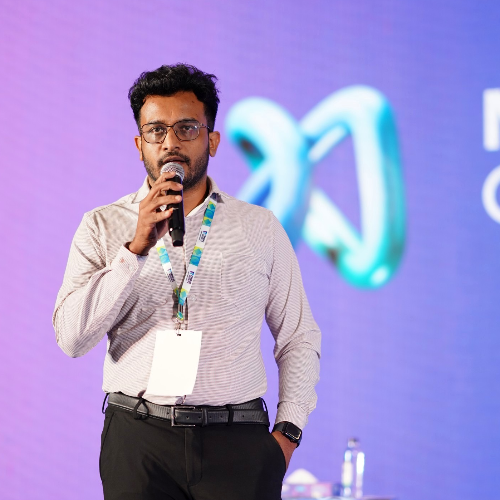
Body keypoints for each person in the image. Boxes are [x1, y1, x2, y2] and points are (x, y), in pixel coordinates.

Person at [53, 63, 321, 500]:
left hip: (238, 443)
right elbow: (71, 338)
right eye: (156, 131)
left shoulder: (260, 227)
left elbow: (298, 336)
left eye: (187, 128)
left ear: (211, 140)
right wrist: (134, 250)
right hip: (138, 442)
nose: (171, 142)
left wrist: (287, 433)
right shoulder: (101, 226)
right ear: (139, 144)